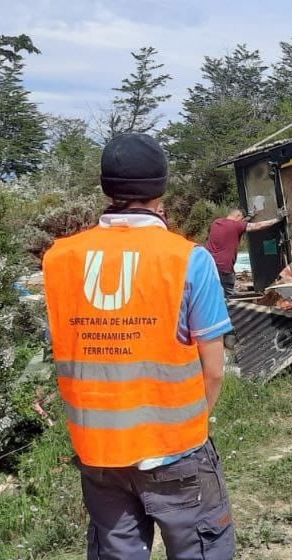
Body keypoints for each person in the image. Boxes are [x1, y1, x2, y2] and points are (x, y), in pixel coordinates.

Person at [42, 133, 236, 560]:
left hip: (98, 453)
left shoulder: (59, 259)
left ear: (106, 188)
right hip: (176, 450)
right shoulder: (188, 259)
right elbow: (215, 368)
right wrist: (192, 427)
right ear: (161, 189)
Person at [204, 208, 283, 299]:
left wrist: (248, 217)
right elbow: (258, 225)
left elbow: (236, 224)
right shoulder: (236, 226)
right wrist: (278, 219)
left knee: (211, 295)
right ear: (238, 216)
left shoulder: (216, 223)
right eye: (241, 219)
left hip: (209, 265)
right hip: (224, 267)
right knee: (229, 298)